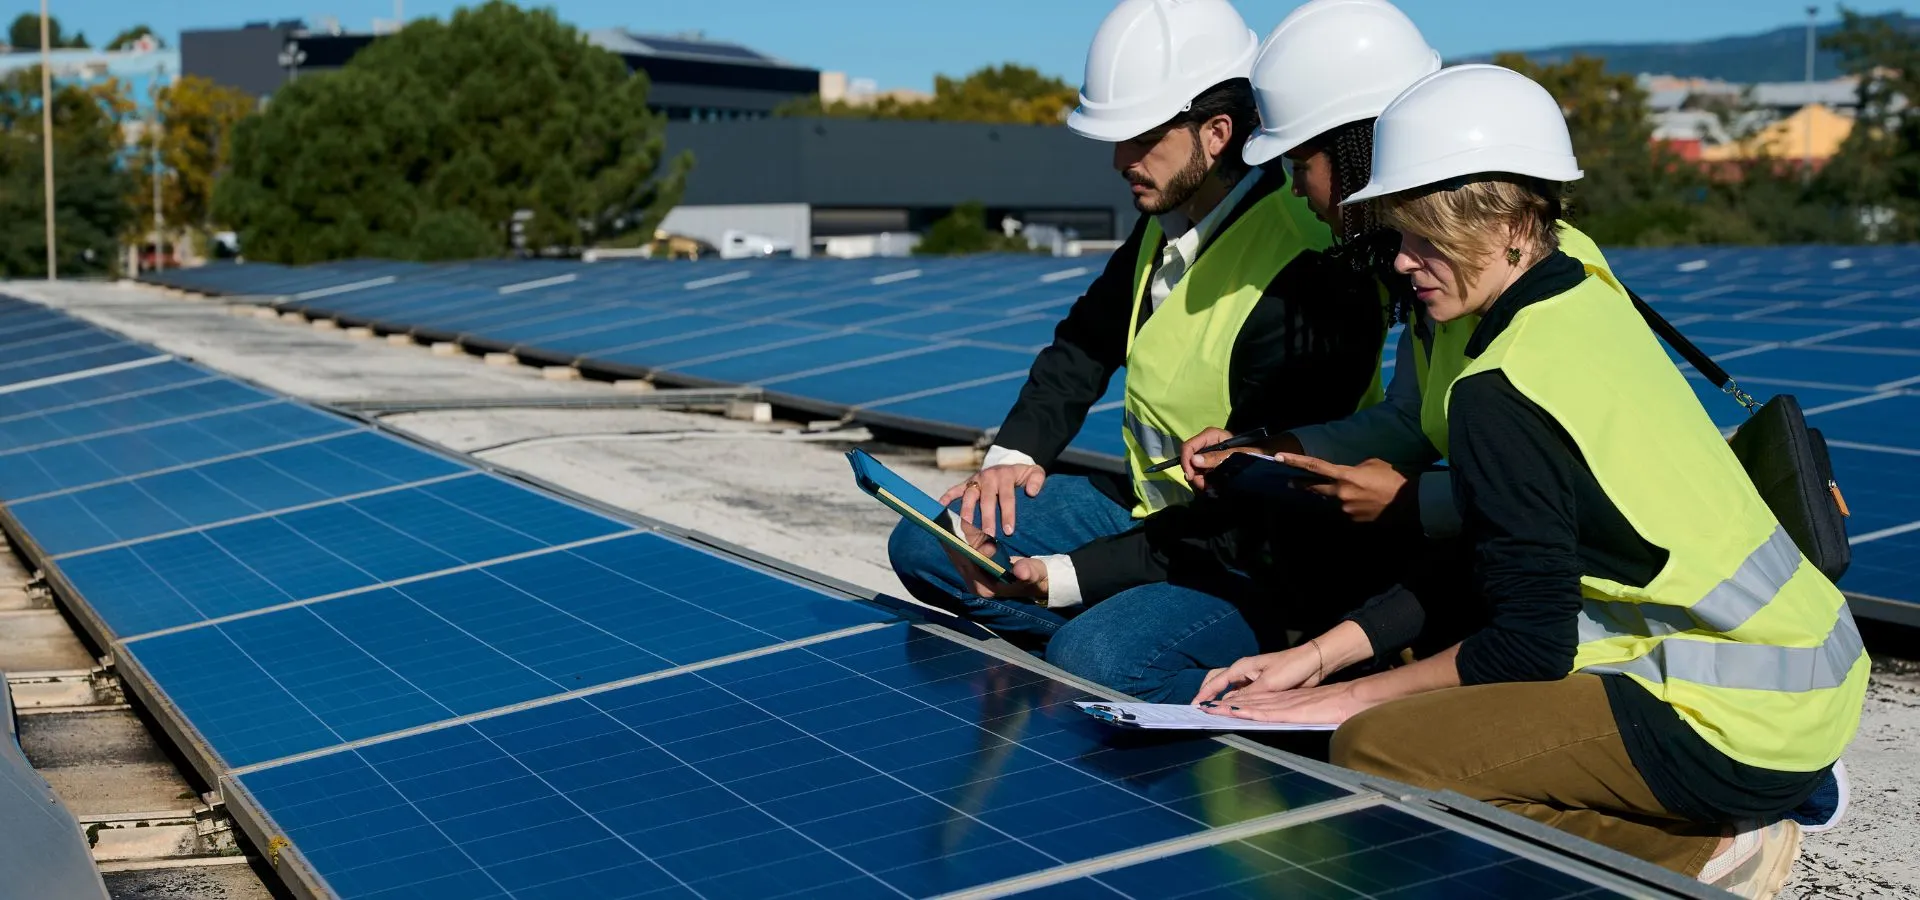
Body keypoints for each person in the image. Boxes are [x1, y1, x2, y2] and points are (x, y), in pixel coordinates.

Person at [1195, 65, 1868, 900]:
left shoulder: (1499, 387)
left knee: (1375, 748)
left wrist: (1338, 701)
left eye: (1423, 235)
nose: (1402, 261)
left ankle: (1708, 854)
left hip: (1733, 726)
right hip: (1811, 685)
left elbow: (1528, 644)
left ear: (1506, 220)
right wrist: (1315, 658)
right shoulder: (1582, 297)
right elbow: (1487, 549)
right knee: (1407, 693)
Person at [885, 0, 1386, 701]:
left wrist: (1065, 577)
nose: (1120, 161)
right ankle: (1107, 626)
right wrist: (1010, 461)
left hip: (1259, 558)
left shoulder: (1310, 272)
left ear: (1216, 134)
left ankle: (1256, 670)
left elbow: (1250, 517)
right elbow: (1084, 344)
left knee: (1096, 658)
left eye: (1140, 137)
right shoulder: (1173, 217)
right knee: (929, 540)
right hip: (1158, 519)